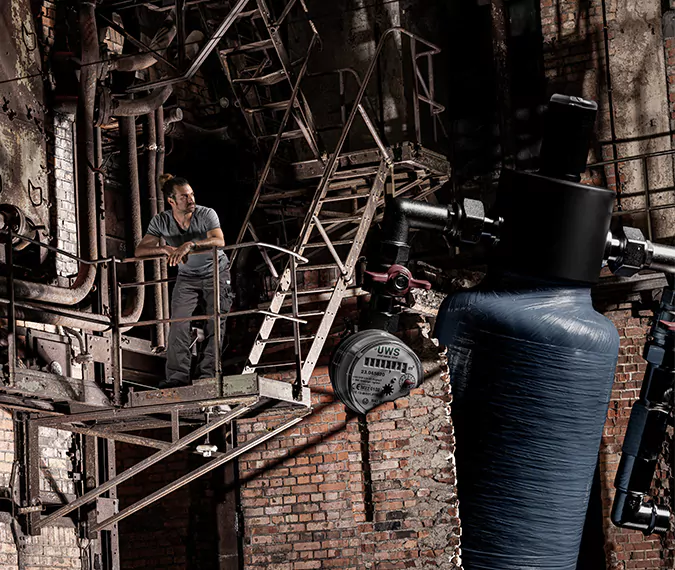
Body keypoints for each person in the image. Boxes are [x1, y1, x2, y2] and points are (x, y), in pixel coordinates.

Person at [135, 174, 234, 388]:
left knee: (214, 322)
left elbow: (220, 240)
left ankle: (209, 375)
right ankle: (177, 377)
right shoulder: (162, 221)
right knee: (178, 324)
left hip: (215, 272)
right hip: (187, 277)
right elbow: (140, 250)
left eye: (192, 195)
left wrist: (190, 245)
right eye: (184, 197)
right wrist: (163, 248)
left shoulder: (206, 214)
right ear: (171, 201)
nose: (191, 200)